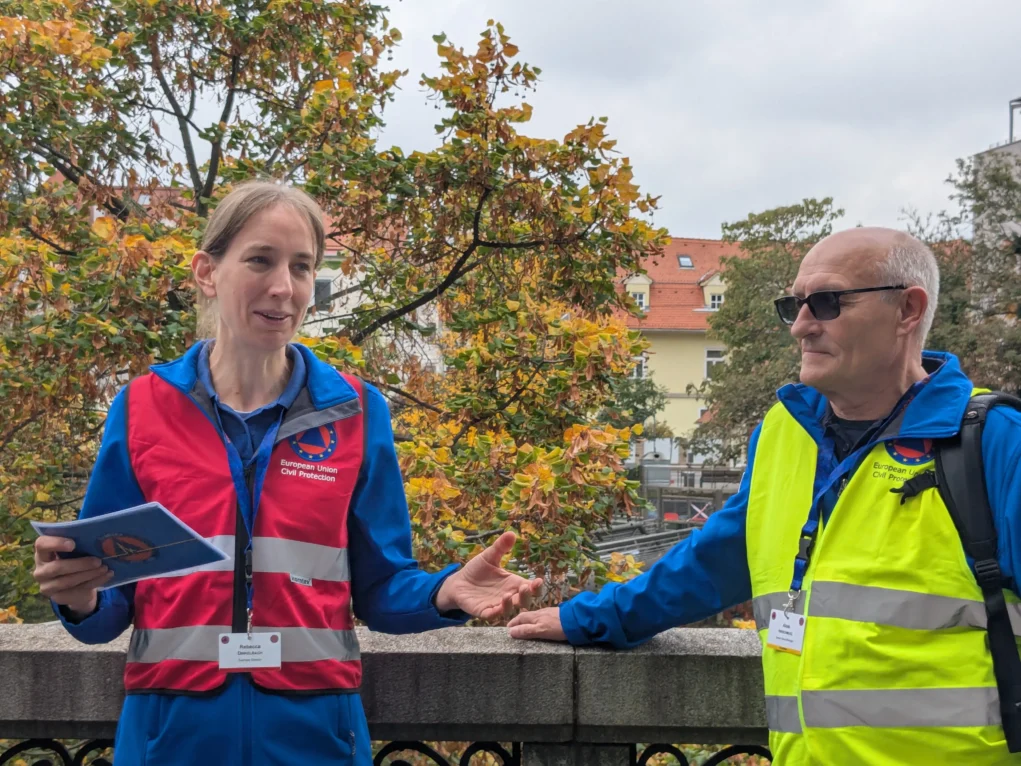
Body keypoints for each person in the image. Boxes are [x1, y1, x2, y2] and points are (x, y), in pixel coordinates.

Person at [32, 180, 542, 766]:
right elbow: (108, 602)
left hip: (316, 737)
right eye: (260, 260)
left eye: (302, 267)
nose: (284, 287)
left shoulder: (355, 410)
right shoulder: (142, 407)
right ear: (207, 272)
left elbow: (380, 590)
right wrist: (80, 598)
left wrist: (444, 592)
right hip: (169, 738)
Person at [509, 227, 1021, 765]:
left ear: (907, 311)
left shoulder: (994, 442)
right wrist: (596, 617)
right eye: (794, 305)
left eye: (827, 302)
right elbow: (721, 559)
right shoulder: (784, 430)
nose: (801, 326)